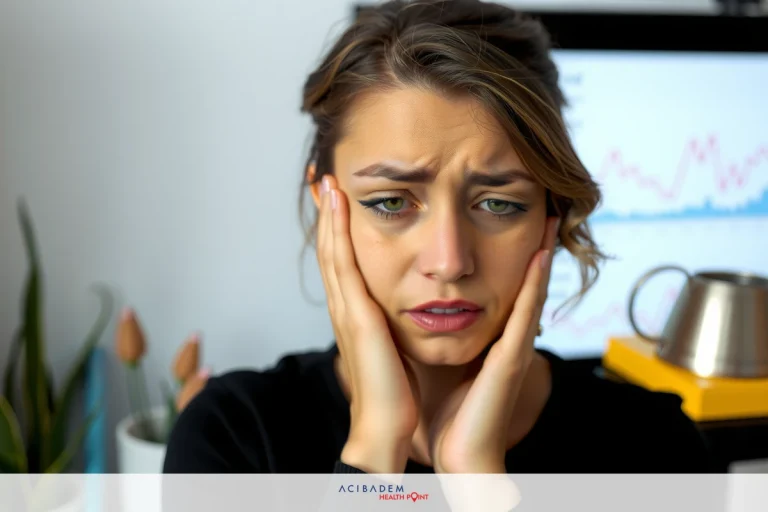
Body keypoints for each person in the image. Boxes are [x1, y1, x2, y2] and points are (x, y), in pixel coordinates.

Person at [163, 0, 714, 474]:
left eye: (499, 204)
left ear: (553, 209)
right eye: (390, 203)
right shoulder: (233, 437)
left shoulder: (657, 448)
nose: (449, 262)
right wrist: (377, 445)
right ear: (326, 203)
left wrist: (479, 483)